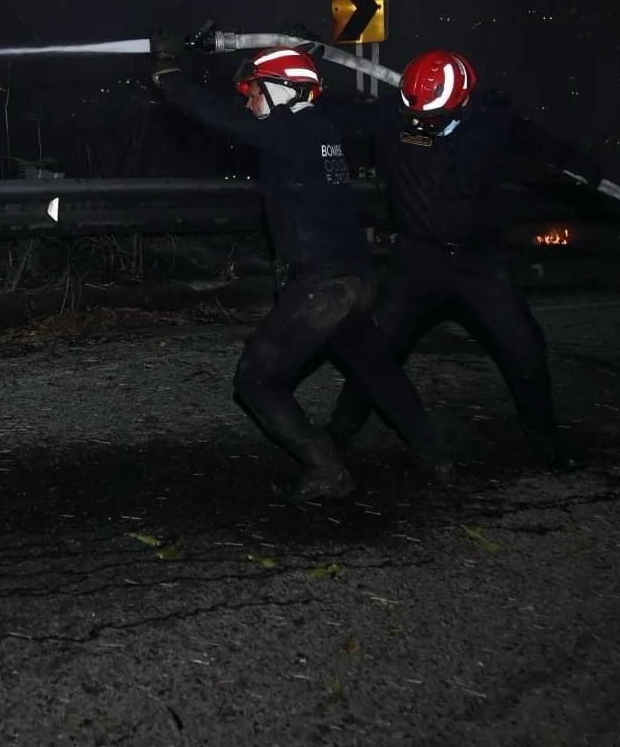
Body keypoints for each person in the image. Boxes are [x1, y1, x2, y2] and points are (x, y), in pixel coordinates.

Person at [150, 34, 451, 500]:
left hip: (322, 288)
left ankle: (327, 469)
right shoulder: (320, 128)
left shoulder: (291, 130)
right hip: (352, 282)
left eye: (255, 89)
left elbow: (216, 114)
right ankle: (437, 456)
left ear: (284, 91)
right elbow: (380, 117)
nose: (248, 98)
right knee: (378, 372)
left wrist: (170, 75)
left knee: (255, 380)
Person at [320, 48, 603, 470]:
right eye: (413, 114)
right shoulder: (394, 115)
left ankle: (549, 448)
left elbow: (537, 142)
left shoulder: (494, 120)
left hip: (481, 265)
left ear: (464, 99)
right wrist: (310, 67)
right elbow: (334, 112)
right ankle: (337, 436)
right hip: (416, 262)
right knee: (376, 351)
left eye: (430, 119)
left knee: (525, 351)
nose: (420, 124)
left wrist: (577, 162)